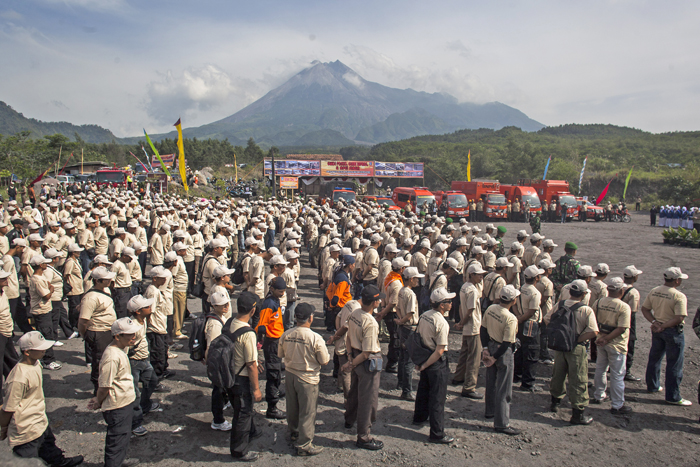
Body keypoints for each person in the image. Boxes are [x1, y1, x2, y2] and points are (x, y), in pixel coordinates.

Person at [0, 331, 83, 467]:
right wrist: (4, 428)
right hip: (25, 428)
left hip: (39, 420)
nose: (44, 350)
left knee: (48, 446)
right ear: (27, 352)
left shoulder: (36, 363)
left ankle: (59, 462)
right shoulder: (18, 377)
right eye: (40, 349)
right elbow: (8, 408)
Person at [87, 318, 141, 467]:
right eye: (129, 334)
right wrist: (98, 400)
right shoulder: (111, 357)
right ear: (117, 336)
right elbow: (104, 386)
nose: (134, 337)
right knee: (116, 443)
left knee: (122, 440)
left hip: (124, 403)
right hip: (117, 407)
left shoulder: (121, 348)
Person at [278, 303, 330, 456]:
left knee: (292, 407)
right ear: (311, 318)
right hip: (308, 378)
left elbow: (280, 354)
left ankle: (294, 432)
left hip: (290, 375)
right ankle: (304, 444)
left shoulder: (286, 334)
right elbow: (324, 360)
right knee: (307, 412)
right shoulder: (315, 338)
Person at [548, 280, 599, 424]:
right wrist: (576, 339)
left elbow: (547, 319)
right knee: (578, 378)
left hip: (560, 346)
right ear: (583, 294)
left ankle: (555, 402)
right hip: (576, 348)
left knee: (558, 374)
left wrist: (558, 335)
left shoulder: (560, 304)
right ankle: (578, 413)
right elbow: (593, 331)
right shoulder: (585, 310)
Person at [641, 267, 692, 406]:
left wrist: (654, 323)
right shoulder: (679, 296)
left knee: (655, 358)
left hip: (657, 329)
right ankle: (673, 396)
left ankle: (653, 385)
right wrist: (663, 326)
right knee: (674, 364)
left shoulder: (655, 290)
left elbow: (645, 309)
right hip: (672, 331)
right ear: (676, 280)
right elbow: (679, 317)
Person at [342, 285, 384, 451]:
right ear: (374, 302)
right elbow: (367, 352)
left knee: (354, 392)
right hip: (366, 363)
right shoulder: (371, 323)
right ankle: (364, 437)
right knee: (367, 400)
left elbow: (348, 338)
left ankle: (348, 419)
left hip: (355, 356)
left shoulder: (355, 314)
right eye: (378, 299)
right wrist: (352, 363)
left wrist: (350, 357)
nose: (380, 301)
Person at [226, 291, 263, 462]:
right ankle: (239, 450)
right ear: (253, 310)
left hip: (229, 374)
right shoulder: (248, 333)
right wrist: (256, 389)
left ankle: (252, 430)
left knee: (240, 408)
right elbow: (251, 365)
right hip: (242, 378)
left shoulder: (230, 323)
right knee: (243, 412)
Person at [413, 287, 454, 444]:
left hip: (424, 356)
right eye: (448, 301)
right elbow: (439, 350)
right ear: (441, 305)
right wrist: (425, 365)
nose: (451, 303)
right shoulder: (442, 323)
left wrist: (422, 363)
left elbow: (418, 336)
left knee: (423, 390)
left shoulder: (424, 316)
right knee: (437, 398)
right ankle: (437, 433)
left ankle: (419, 417)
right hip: (435, 362)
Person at [480, 285, 520, 435]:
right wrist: (494, 357)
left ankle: (489, 411)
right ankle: (502, 423)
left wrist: (486, 349)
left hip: (490, 345)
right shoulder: (511, 318)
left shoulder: (491, 309)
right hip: (502, 352)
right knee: (504, 387)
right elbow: (507, 343)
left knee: (491, 382)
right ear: (513, 301)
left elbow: (482, 329)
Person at [591, 277, 633, 414]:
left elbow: (594, 320)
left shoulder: (598, 302)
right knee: (617, 375)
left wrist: (601, 338)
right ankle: (617, 404)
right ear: (621, 290)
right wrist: (607, 339)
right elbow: (622, 328)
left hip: (600, 341)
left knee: (600, 369)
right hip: (617, 345)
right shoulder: (623, 307)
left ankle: (598, 395)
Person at [126, 295, 161, 437]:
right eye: (146, 307)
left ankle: (145, 405)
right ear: (138, 311)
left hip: (144, 360)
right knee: (134, 394)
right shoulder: (133, 327)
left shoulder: (143, 321)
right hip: (135, 362)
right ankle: (135, 423)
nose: (150, 308)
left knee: (152, 381)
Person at [453, 262, 487, 399]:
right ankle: (469, 386)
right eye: (479, 275)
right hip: (473, 326)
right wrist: (462, 322)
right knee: (474, 358)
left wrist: (461, 323)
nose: (481, 277)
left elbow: (462, 307)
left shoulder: (464, 287)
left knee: (464, 353)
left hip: (468, 326)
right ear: (472, 275)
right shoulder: (472, 290)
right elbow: (471, 310)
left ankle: (458, 376)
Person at [255, 276, 287, 419]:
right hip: (271, 341)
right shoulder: (268, 303)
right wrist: (260, 342)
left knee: (277, 369)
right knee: (273, 372)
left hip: (276, 340)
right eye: (280, 291)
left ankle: (276, 390)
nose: (283, 293)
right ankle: (272, 408)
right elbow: (261, 326)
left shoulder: (275, 300)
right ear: (272, 289)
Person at [205, 291, 233, 432]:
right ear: (214, 305)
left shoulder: (219, 317)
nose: (226, 307)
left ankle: (224, 403)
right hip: (217, 361)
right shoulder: (215, 324)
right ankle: (218, 420)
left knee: (221, 389)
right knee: (218, 390)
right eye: (222, 305)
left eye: (227, 304)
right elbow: (212, 347)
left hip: (219, 360)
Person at [394, 267, 423, 401]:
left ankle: (400, 383)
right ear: (411, 279)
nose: (418, 281)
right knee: (409, 361)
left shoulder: (401, 291)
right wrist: (403, 321)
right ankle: (407, 391)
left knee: (402, 357)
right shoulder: (411, 294)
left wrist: (400, 320)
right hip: (409, 327)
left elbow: (398, 308)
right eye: (416, 278)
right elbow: (411, 313)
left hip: (403, 327)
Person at [513, 265, 543, 392]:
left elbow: (514, 305)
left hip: (520, 321)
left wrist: (518, 318)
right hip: (530, 323)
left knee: (520, 350)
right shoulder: (535, 293)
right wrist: (522, 318)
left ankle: (517, 375)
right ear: (537, 278)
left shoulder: (520, 289)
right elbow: (531, 311)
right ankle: (528, 383)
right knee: (531, 352)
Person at [621, 265, 643, 381]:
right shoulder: (633, 292)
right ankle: (627, 370)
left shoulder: (618, 287)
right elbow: (632, 312)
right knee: (629, 345)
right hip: (627, 321)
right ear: (634, 277)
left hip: (615, 319)